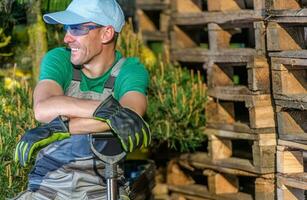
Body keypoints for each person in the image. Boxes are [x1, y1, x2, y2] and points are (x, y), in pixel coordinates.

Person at [13, 0, 151, 199]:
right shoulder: (59, 59)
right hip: (46, 186)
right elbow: (43, 109)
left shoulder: (129, 70)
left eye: (77, 29)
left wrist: (60, 128)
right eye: (67, 28)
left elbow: (130, 116)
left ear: (106, 33)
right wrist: (108, 111)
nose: (67, 38)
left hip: (102, 188)